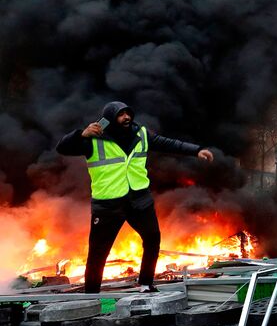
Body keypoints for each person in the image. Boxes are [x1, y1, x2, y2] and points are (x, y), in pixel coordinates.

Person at [56, 101, 214, 293]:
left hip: (139, 200)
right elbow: (62, 148)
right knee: (98, 252)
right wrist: (80, 134)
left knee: (152, 238)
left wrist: (196, 150)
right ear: (109, 119)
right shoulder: (93, 137)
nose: (127, 118)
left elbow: (169, 144)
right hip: (108, 204)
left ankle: (146, 283)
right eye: (121, 115)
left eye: (128, 114)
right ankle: (91, 293)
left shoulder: (141, 134)